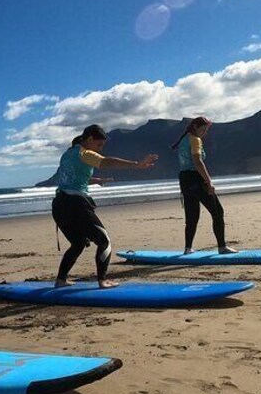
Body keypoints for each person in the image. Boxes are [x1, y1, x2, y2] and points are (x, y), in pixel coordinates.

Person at [52, 124, 157, 289]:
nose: (99, 149)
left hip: (59, 205)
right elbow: (107, 162)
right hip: (75, 204)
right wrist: (136, 164)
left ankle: (61, 280)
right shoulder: (85, 153)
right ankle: (102, 280)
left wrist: (96, 181)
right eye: (99, 145)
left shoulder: (68, 154)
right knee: (104, 241)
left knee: (78, 244)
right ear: (90, 139)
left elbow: (72, 179)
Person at [171, 116, 237, 255]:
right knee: (218, 211)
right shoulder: (195, 140)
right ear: (195, 126)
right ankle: (222, 247)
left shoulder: (184, 139)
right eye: (203, 129)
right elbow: (198, 161)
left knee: (192, 216)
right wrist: (209, 182)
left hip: (184, 180)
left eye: (206, 130)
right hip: (196, 179)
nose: (204, 132)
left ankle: (188, 249)